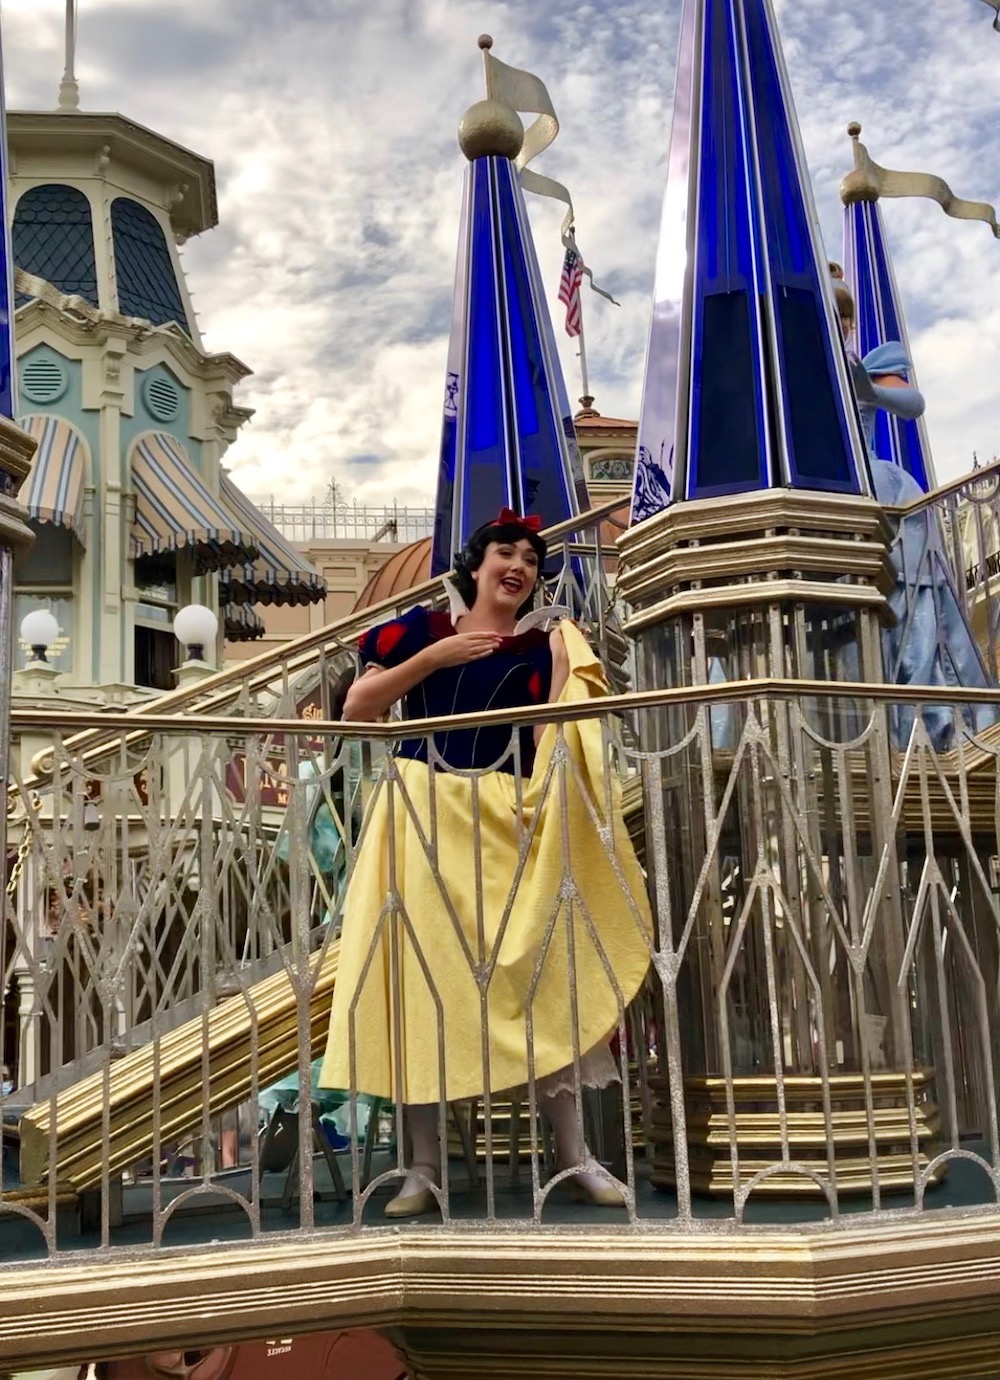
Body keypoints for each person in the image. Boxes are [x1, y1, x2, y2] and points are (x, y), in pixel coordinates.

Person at [319, 509, 652, 1216]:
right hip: (422, 813)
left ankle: (575, 1158)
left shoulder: (547, 644)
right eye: (507, 551)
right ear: (476, 565)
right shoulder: (418, 630)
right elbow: (356, 710)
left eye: (532, 559)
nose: (521, 566)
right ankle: (423, 1170)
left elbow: (554, 733)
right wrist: (432, 662)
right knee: (421, 981)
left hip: (510, 813)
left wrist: (546, 801)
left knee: (540, 971)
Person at [833, 277, 996, 748]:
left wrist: (865, 385)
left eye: (844, 318)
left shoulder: (863, 362)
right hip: (825, 494)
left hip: (876, 489)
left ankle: (927, 722)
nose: (840, 325)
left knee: (910, 597)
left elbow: (911, 403)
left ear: (849, 324)